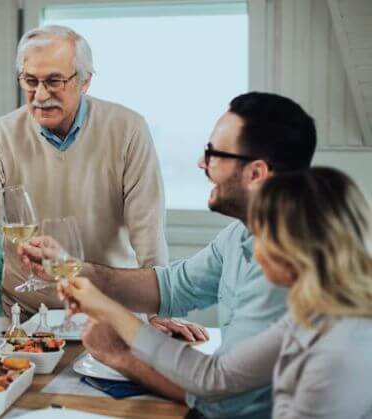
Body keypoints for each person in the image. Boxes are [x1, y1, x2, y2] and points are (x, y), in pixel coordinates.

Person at [22, 92, 317, 417]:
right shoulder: (240, 235)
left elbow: (219, 397)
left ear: (256, 174)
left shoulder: (287, 267)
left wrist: (121, 356)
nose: (202, 163)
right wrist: (74, 269)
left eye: (213, 153)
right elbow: (171, 286)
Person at [62, 167, 372, 419]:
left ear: (298, 249)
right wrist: (107, 308)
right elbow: (213, 377)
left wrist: (112, 323)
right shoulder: (314, 316)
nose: (252, 247)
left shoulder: (338, 355)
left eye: (261, 233)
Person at [0, 24, 174, 325]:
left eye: (54, 81)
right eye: (30, 81)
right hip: (28, 313)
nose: (40, 94)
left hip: (111, 308)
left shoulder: (128, 129)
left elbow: (149, 231)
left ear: (84, 81)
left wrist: (158, 311)